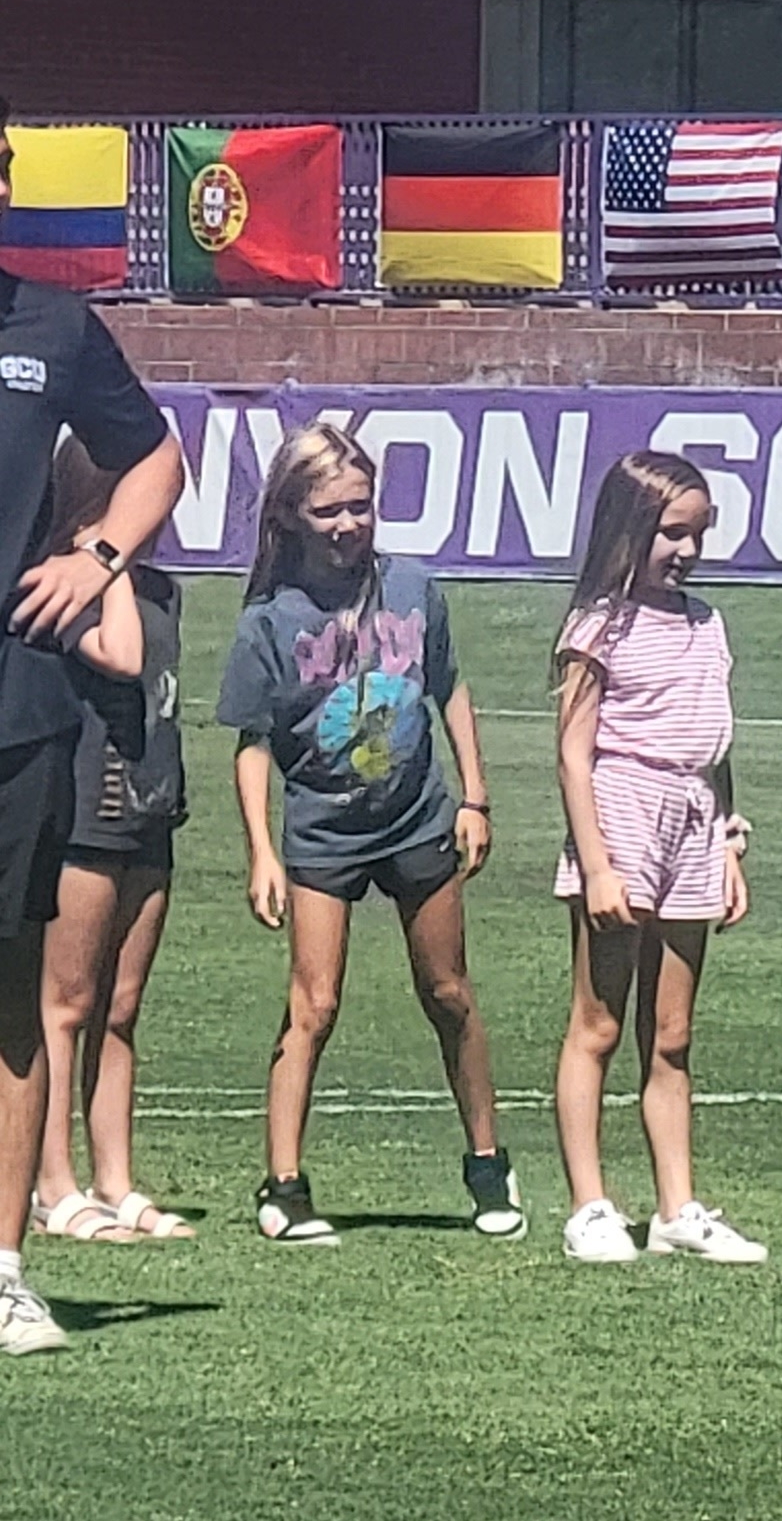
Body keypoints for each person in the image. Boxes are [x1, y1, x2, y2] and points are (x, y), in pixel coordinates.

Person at [217, 421, 523, 1246]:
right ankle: (283, 1186)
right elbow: (250, 745)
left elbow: (447, 689)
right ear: (291, 516)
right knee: (312, 1005)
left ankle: (489, 1167)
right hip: (321, 832)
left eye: (360, 506)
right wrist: (262, 853)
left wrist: (476, 797)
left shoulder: (415, 591)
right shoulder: (268, 623)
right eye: (329, 511)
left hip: (418, 815)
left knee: (449, 993)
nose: (349, 524)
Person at [0, 118, 185, 1355]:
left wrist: (97, 553)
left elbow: (157, 455)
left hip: (16, 712)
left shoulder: (54, 330)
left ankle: (5, 1267)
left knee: (12, 998)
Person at [550, 447, 762, 1267]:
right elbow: (573, 754)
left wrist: (730, 838)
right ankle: (591, 1206)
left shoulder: (708, 623)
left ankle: (678, 1208)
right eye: (672, 533)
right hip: (625, 813)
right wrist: (600, 865)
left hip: (694, 820)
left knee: (671, 1034)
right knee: (597, 1022)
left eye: (698, 534)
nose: (688, 550)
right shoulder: (598, 625)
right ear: (631, 531)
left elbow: (717, 741)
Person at [34, 441, 189, 1246]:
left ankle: (116, 1180)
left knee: (122, 1010)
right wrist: (110, 561)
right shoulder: (62, 583)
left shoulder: (165, 587)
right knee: (67, 1005)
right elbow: (122, 659)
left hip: (149, 808)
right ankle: (52, 1183)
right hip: (85, 814)